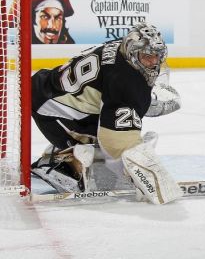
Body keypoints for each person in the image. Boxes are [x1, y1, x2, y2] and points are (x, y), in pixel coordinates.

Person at [31, 23, 182, 204]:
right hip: (52, 110)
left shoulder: (124, 48)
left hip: (52, 91)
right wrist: (141, 178)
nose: (153, 62)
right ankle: (61, 163)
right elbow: (116, 140)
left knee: (113, 127)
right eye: (147, 57)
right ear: (133, 53)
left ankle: (67, 147)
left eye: (157, 56)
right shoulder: (124, 80)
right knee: (100, 159)